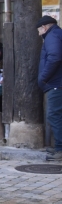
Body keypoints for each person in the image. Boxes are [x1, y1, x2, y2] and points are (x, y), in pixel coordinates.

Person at [37, 15, 62, 161]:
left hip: (56, 84)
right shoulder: (58, 33)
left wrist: (43, 77)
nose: (39, 34)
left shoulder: (52, 36)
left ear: (44, 27)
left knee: (54, 115)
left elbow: (55, 57)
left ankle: (60, 149)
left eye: (39, 30)